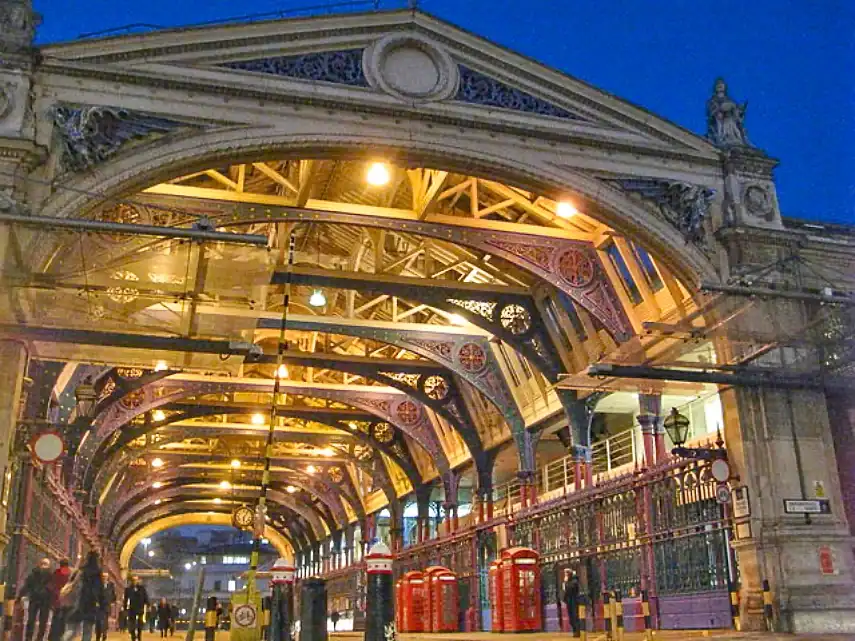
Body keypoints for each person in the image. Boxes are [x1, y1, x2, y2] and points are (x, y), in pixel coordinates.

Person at [61, 551, 104, 641]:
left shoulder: (80, 570)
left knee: (71, 630)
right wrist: (101, 604)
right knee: (87, 632)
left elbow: (70, 583)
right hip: (90, 605)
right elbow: (99, 591)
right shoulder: (97, 573)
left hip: (77, 604)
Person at [19, 558, 53, 641]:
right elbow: (27, 585)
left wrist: (21, 595)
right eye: (43, 563)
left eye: (45, 564)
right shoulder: (50, 575)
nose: (44, 566)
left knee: (34, 620)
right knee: (38, 621)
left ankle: (32, 638)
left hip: (40, 600)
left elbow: (27, 585)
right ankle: (34, 638)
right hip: (41, 600)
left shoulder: (34, 574)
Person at [49, 560, 72, 641]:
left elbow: (51, 586)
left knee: (56, 619)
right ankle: (61, 637)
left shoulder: (56, 573)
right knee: (64, 620)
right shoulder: (70, 574)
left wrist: (57, 593)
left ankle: (53, 637)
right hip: (67, 601)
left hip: (58, 600)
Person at [123, 576, 148, 641]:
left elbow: (145, 597)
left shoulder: (142, 588)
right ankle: (133, 636)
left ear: (138, 580)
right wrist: (125, 608)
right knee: (132, 624)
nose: (135, 581)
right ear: (131, 581)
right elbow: (125, 600)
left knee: (140, 623)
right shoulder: (128, 589)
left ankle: (139, 635)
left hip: (140, 608)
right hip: (132, 609)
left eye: (136, 580)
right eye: (134, 580)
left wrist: (148, 604)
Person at [96, 573, 116, 641]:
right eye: (103, 576)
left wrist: (113, 602)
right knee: (98, 622)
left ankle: (104, 635)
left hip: (107, 606)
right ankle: (98, 636)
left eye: (106, 576)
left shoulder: (111, 585)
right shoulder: (98, 585)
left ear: (108, 577)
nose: (105, 578)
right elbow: (95, 594)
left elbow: (113, 594)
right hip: (99, 606)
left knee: (104, 621)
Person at [561, 568, 581, 637]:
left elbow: (570, 589)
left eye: (566, 573)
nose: (565, 575)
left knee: (575, 617)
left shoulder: (574, 581)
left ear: (569, 574)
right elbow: (566, 592)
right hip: (569, 601)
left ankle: (577, 632)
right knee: (571, 618)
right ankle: (575, 631)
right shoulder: (569, 581)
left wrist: (566, 583)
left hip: (574, 601)